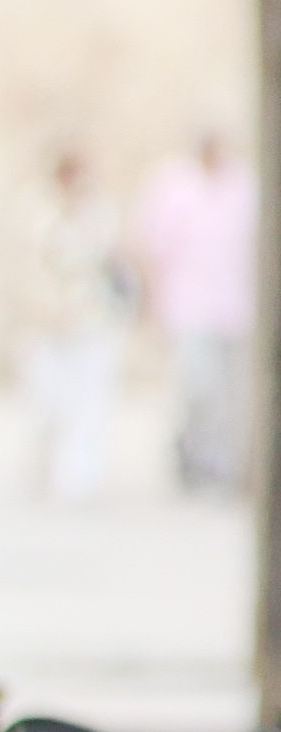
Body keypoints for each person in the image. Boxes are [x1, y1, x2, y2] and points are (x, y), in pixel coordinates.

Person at [134, 132, 255, 494]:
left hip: (234, 305)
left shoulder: (242, 186)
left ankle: (221, 464)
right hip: (188, 305)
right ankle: (192, 454)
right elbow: (154, 246)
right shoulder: (173, 186)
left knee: (231, 393)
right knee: (198, 388)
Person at [14, 151, 127, 502]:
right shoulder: (36, 208)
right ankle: (46, 466)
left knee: (89, 399)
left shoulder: (99, 211)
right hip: (44, 320)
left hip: (90, 317)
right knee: (47, 400)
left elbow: (107, 256)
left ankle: (81, 475)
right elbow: (29, 260)